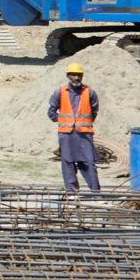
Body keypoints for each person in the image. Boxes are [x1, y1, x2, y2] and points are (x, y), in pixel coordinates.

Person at [50, 61, 100, 193]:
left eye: (79, 75)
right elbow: (51, 112)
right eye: (73, 75)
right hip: (66, 134)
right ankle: (72, 191)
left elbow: (94, 111)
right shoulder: (60, 92)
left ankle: (96, 193)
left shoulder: (89, 92)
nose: (76, 78)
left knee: (88, 162)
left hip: (84, 133)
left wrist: (83, 123)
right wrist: (63, 121)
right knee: (68, 163)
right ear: (68, 76)